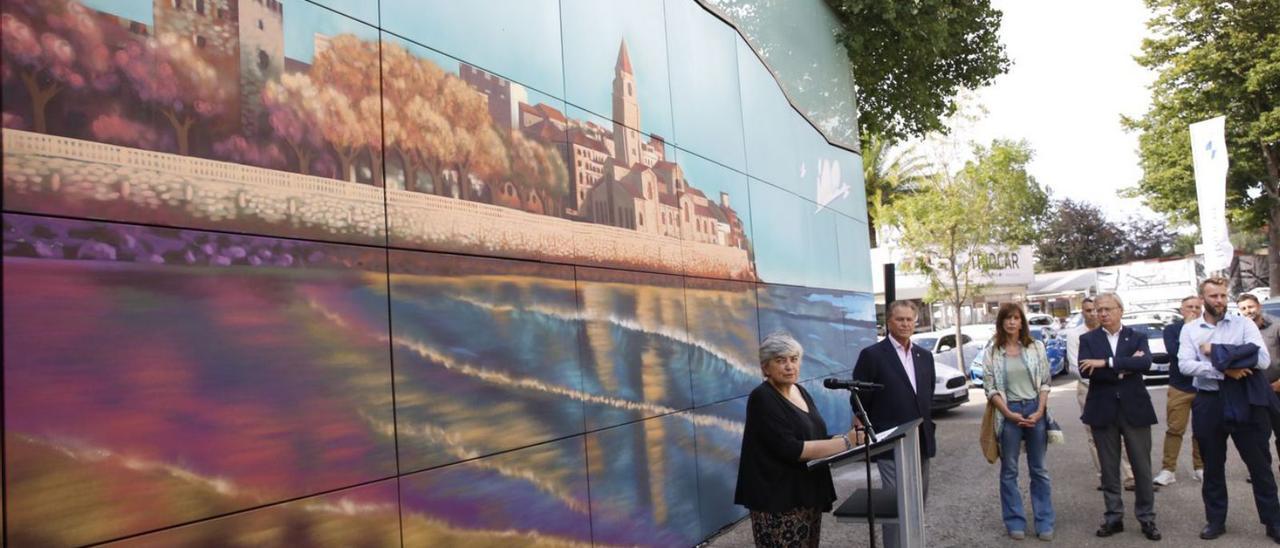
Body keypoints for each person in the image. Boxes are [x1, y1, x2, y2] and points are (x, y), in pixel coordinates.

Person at [1180, 278, 1280, 542]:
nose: (1219, 301)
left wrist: (1215, 351)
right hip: (1209, 401)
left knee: (1260, 466)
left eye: (1223, 295)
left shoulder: (1244, 324)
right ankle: (1215, 520)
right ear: (1202, 299)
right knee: (1212, 466)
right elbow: (1185, 365)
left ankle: (1273, 522)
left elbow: (1261, 358)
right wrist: (1225, 369)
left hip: (1246, 399)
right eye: (1213, 296)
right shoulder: (1190, 330)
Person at [735, 331, 856, 546]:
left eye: (794, 359)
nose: (789, 366)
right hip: (778, 500)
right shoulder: (762, 397)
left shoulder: (799, 390)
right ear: (765, 368)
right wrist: (846, 442)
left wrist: (848, 438)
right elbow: (791, 449)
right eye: (780, 361)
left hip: (807, 493)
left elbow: (813, 437)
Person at [852, 300, 937, 548]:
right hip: (890, 442)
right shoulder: (872, 356)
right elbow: (858, 399)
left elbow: (926, 395)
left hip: (921, 440)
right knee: (897, 506)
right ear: (889, 322)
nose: (905, 324)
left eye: (910, 319)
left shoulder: (925, 356)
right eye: (900, 319)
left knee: (918, 505)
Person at [1079, 292, 1161, 541]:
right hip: (1102, 410)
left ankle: (1147, 518)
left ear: (1120, 310)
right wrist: (1125, 365)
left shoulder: (1137, 336)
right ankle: (1113, 517)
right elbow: (1087, 371)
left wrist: (1106, 363)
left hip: (1134, 409)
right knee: (1109, 469)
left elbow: (1145, 364)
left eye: (1107, 309)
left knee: (1142, 468)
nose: (1101, 313)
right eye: (1097, 310)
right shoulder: (1088, 339)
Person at [981, 302, 1056, 540]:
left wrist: (1040, 410)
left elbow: (1045, 381)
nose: (1013, 322)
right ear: (1001, 322)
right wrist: (1009, 413)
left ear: (1022, 322)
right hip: (1008, 412)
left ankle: (1044, 521)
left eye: (1017, 318)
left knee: (1039, 469)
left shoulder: (1036, 347)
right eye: (1008, 318)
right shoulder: (992, 350)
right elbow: (990, 387)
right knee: (1009, 470)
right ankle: (1015, 521)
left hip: (1035, 408)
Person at [1067, 297, 1135, 490]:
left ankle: (1130, 475)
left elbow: (1128, 360)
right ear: (1084, 313)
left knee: (1122, 431)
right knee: (1094, 435)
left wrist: (1107, 369)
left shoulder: (1118, 333)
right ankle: (1105, 476)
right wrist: (1115, 370)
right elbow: (1077, 367)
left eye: (1096, 309)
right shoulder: (1076, 335)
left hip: (1116, 388)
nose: (1094, 314)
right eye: (1089, 310)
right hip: (1088, 389)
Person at [1154, 296, 1204, 486]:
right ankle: (1168, 470)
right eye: (1189, 307)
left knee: (1202, 429)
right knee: (1175, 429)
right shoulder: (1172, 330)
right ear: (1181, 310)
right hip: (1179, 386)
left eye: (1197, 307)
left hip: (1203, 385)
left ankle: (1200, 467)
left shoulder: (1209, 328)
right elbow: (1175, 352)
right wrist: (1188, 329)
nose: (1193, 310)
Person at [1235, 294, 1280, 484]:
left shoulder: (1276, 326)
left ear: (1259, 306)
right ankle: (1261, 471)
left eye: (1251, 307)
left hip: (1277, 387)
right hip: (1254, 390)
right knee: (1258, 435)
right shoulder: (1238, 330)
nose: (1248, 311)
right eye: (1243, 308)